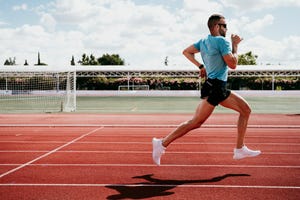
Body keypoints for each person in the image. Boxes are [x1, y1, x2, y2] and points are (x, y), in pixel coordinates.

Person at [152, 14, 261, 166]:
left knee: (197, 121)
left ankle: (162, 143)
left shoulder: (203, 41)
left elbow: (186, 51)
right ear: (217, 27)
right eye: (224, 25)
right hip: (217, 87)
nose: (227, 28)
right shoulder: (222, 41)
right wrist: (235, 45)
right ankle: (162, 143)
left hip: (212, 85)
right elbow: (233, 64)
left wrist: (200, 66)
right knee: (242, 111)